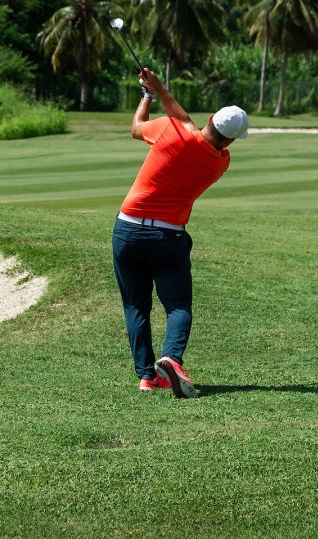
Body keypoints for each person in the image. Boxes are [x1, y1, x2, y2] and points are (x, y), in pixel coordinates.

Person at [112, 66, 248, 398]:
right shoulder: (220, 161)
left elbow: (136, 129)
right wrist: (159, 91)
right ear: (230, 139)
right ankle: (171, 358)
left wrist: (149, 95)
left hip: (127, 229)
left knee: (136, 307)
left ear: (212, 115)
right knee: (177, 306)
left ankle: (147, 377)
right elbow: (188, 124)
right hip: (168, 238)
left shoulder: (170, 129)